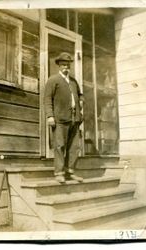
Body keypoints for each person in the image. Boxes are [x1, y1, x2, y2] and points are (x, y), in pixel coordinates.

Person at [44, 52, 84, 183]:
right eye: (63, 65)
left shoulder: (73, 81)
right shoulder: (53, 80)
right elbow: (47, 99)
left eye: (68, 65)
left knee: (74, 147)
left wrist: (81, 101)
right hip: (60, 119)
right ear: (59, 66)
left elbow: (80, 94)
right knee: (60, 145)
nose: (66, 68)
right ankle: (59, 173)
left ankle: (70, 172)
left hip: (75, 118)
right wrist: (50, 115)